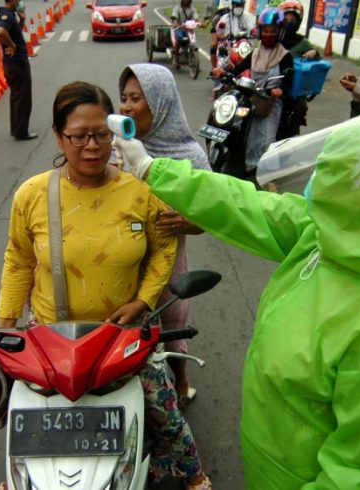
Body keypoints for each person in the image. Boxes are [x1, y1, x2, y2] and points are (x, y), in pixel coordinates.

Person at [115, 94, 360, 489]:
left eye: (345, 176)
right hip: (266, 458)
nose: (320, 186)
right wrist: (153, 169)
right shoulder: (333, 236)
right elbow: (245, 205)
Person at [0, 81, 212, 490]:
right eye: (79, 136)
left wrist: (144, 301)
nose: (92, 146)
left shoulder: (140, 190)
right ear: (60, 135)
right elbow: (18, 261)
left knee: (165, 413)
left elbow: (163, 249)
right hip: (50, 341)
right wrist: (6, 322)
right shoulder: (31, 195)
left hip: (121, 340)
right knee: (21, 420)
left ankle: (193, 473)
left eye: (101, 134)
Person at [118, 63, 211, 407]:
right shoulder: (113, 151)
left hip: (169, 264)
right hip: (121, 264)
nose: (125, 106)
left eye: (136, 98)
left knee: (170, 327)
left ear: (161, 103)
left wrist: (188, 221)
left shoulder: (191, 158)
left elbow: (211, 217)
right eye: (123, 98)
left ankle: (181, 379)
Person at [212, 7, 293, 181]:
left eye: (273, 31)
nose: (269, 34)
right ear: (261, 31)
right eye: (266, 30)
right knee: (244, 134)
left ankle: (269, 178)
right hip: (254, 99)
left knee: (266, 141)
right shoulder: (255, 53)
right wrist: (223, 71)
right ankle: (245, 169)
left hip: (272, 103)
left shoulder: (285, 55)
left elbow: (288, 77)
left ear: (280, 32)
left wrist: (280, 90)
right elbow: (238, 67)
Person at [277, 0, 319, 139]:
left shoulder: (302, 41)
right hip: (273, 83)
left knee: (300, 107)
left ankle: (292, 134)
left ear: (298, 22)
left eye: (293, 20)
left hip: (294, 87)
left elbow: (317, 56)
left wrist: (314, 53)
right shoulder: (274, 37)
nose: (289, 22)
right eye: (286, 19)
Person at [0, 0, 37, 140]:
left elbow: (14, 32)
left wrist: (22, 19)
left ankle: (16, 128)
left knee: (16, 96)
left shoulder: (9, 15)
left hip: (12, 63)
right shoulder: (6, 15)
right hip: (17, 63)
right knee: (23, 98)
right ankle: (21, 132)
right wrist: (12, 45)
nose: (19, 2)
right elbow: (1, 31)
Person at [170, 0, 200, 69]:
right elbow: (174, 17)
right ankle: (176, 56)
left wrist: (198, 22)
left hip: (188, 29)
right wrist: (175, 22)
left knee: (191, 39)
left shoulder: (192, 9)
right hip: (179, 28)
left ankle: (192, 58)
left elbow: (196, 17)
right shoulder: (177, 8)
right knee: (179, 37)